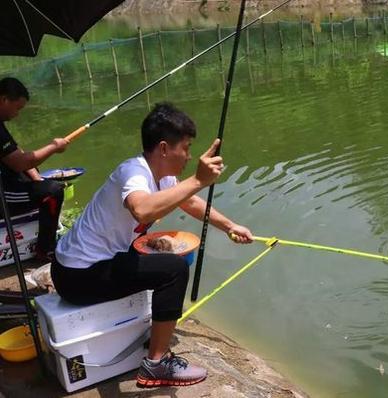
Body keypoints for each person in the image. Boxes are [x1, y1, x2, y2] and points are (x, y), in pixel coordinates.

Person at [52, 102, 253, 387]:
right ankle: (156, 365)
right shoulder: (132, 172)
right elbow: (143, 210)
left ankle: (151, 337)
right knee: (174, 269)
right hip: (78, 277)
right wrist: (198, 179)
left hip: (80, 266)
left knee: (159, 252)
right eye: (186, 147)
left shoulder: (163, 175)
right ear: (163, 148)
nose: (189, 155)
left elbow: (190, 202)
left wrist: (230, 226)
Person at [0, 77, 68, 260]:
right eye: (17, 108)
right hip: (3, 193)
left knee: (37, 174)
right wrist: (54, 147)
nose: (17, 114)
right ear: (4, 99)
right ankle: (45, 250)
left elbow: (16, 152)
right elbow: (20, 163)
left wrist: (36, 178)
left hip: (8, 178)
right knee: (53, 192)